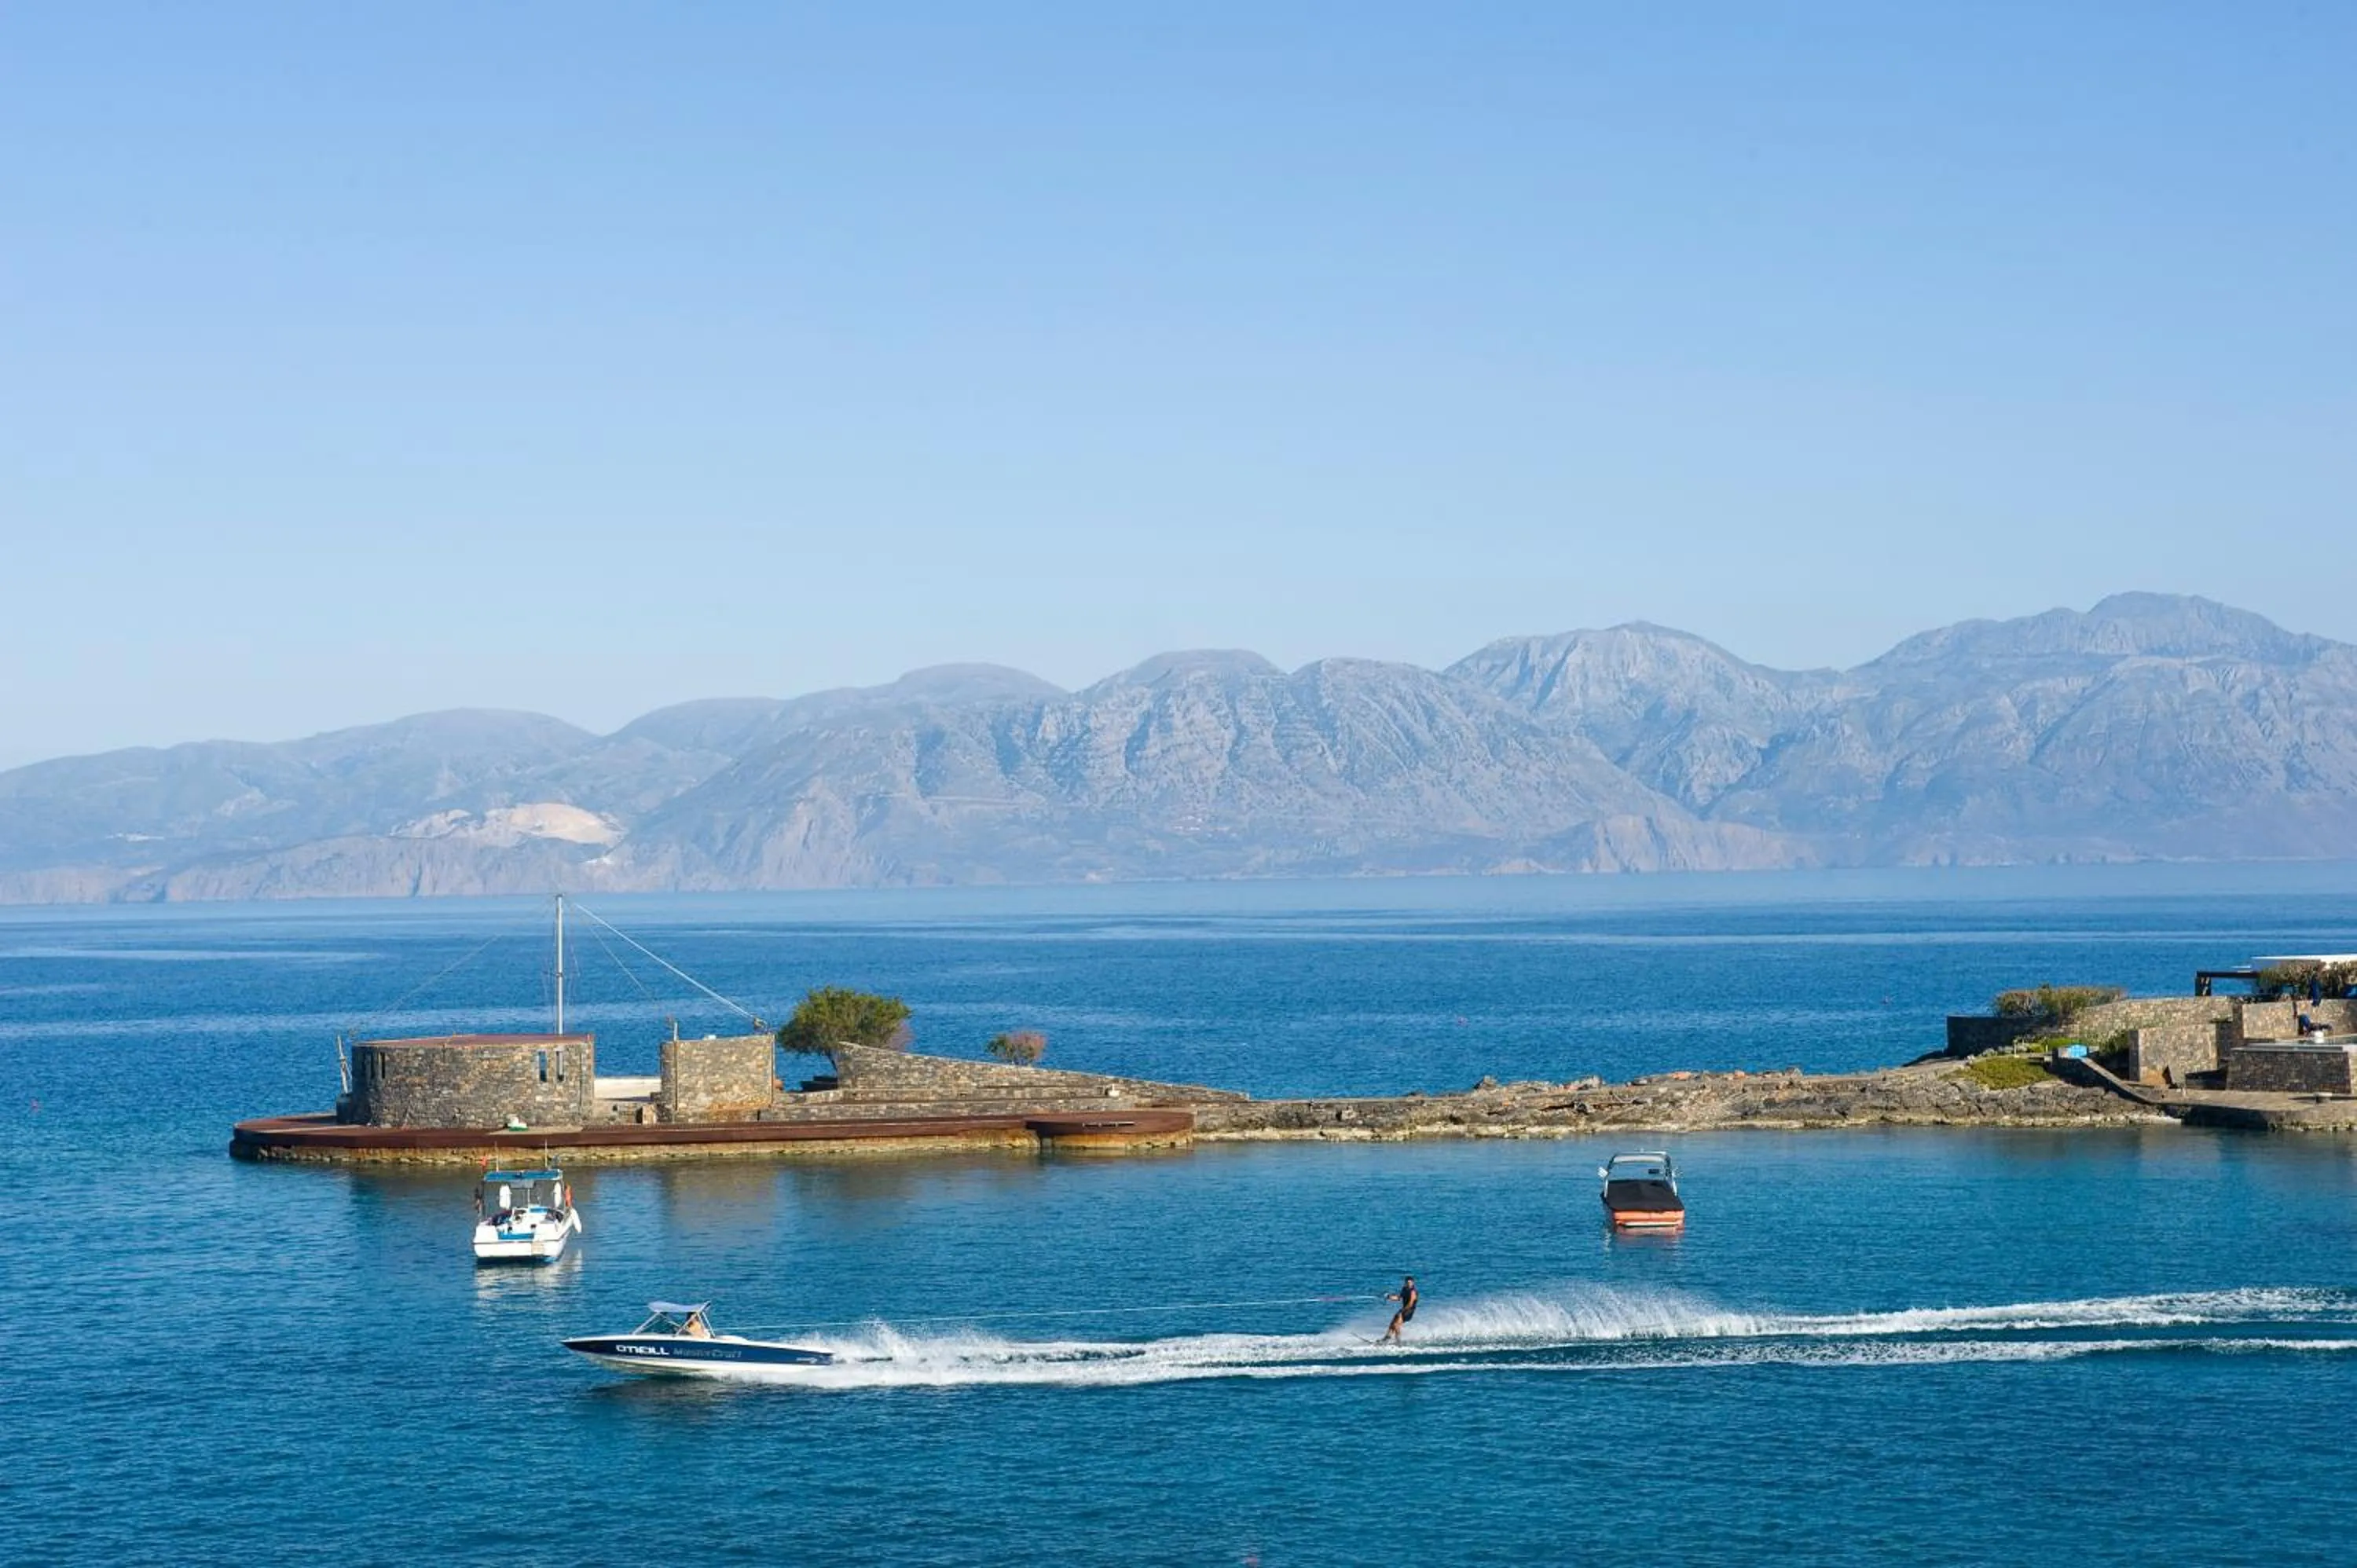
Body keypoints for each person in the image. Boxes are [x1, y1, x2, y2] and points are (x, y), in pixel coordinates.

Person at [1382, 1275, 1419, 1343]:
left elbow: (1411, 1303)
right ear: (1405, 1283)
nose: (1409, 1284)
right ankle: (1387, 1338)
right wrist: (1389, 1297)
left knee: (1396, 1325)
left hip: (1409, 1311)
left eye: (1410, 1283)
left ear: (1413, 1283)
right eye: (1407, 1283)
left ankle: (1398, 1342)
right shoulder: (1404, 1289)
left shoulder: (1413, 1292)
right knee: (1393, 1322)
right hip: (1404, 1309)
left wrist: (1402, 1311)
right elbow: (1398, 1298)